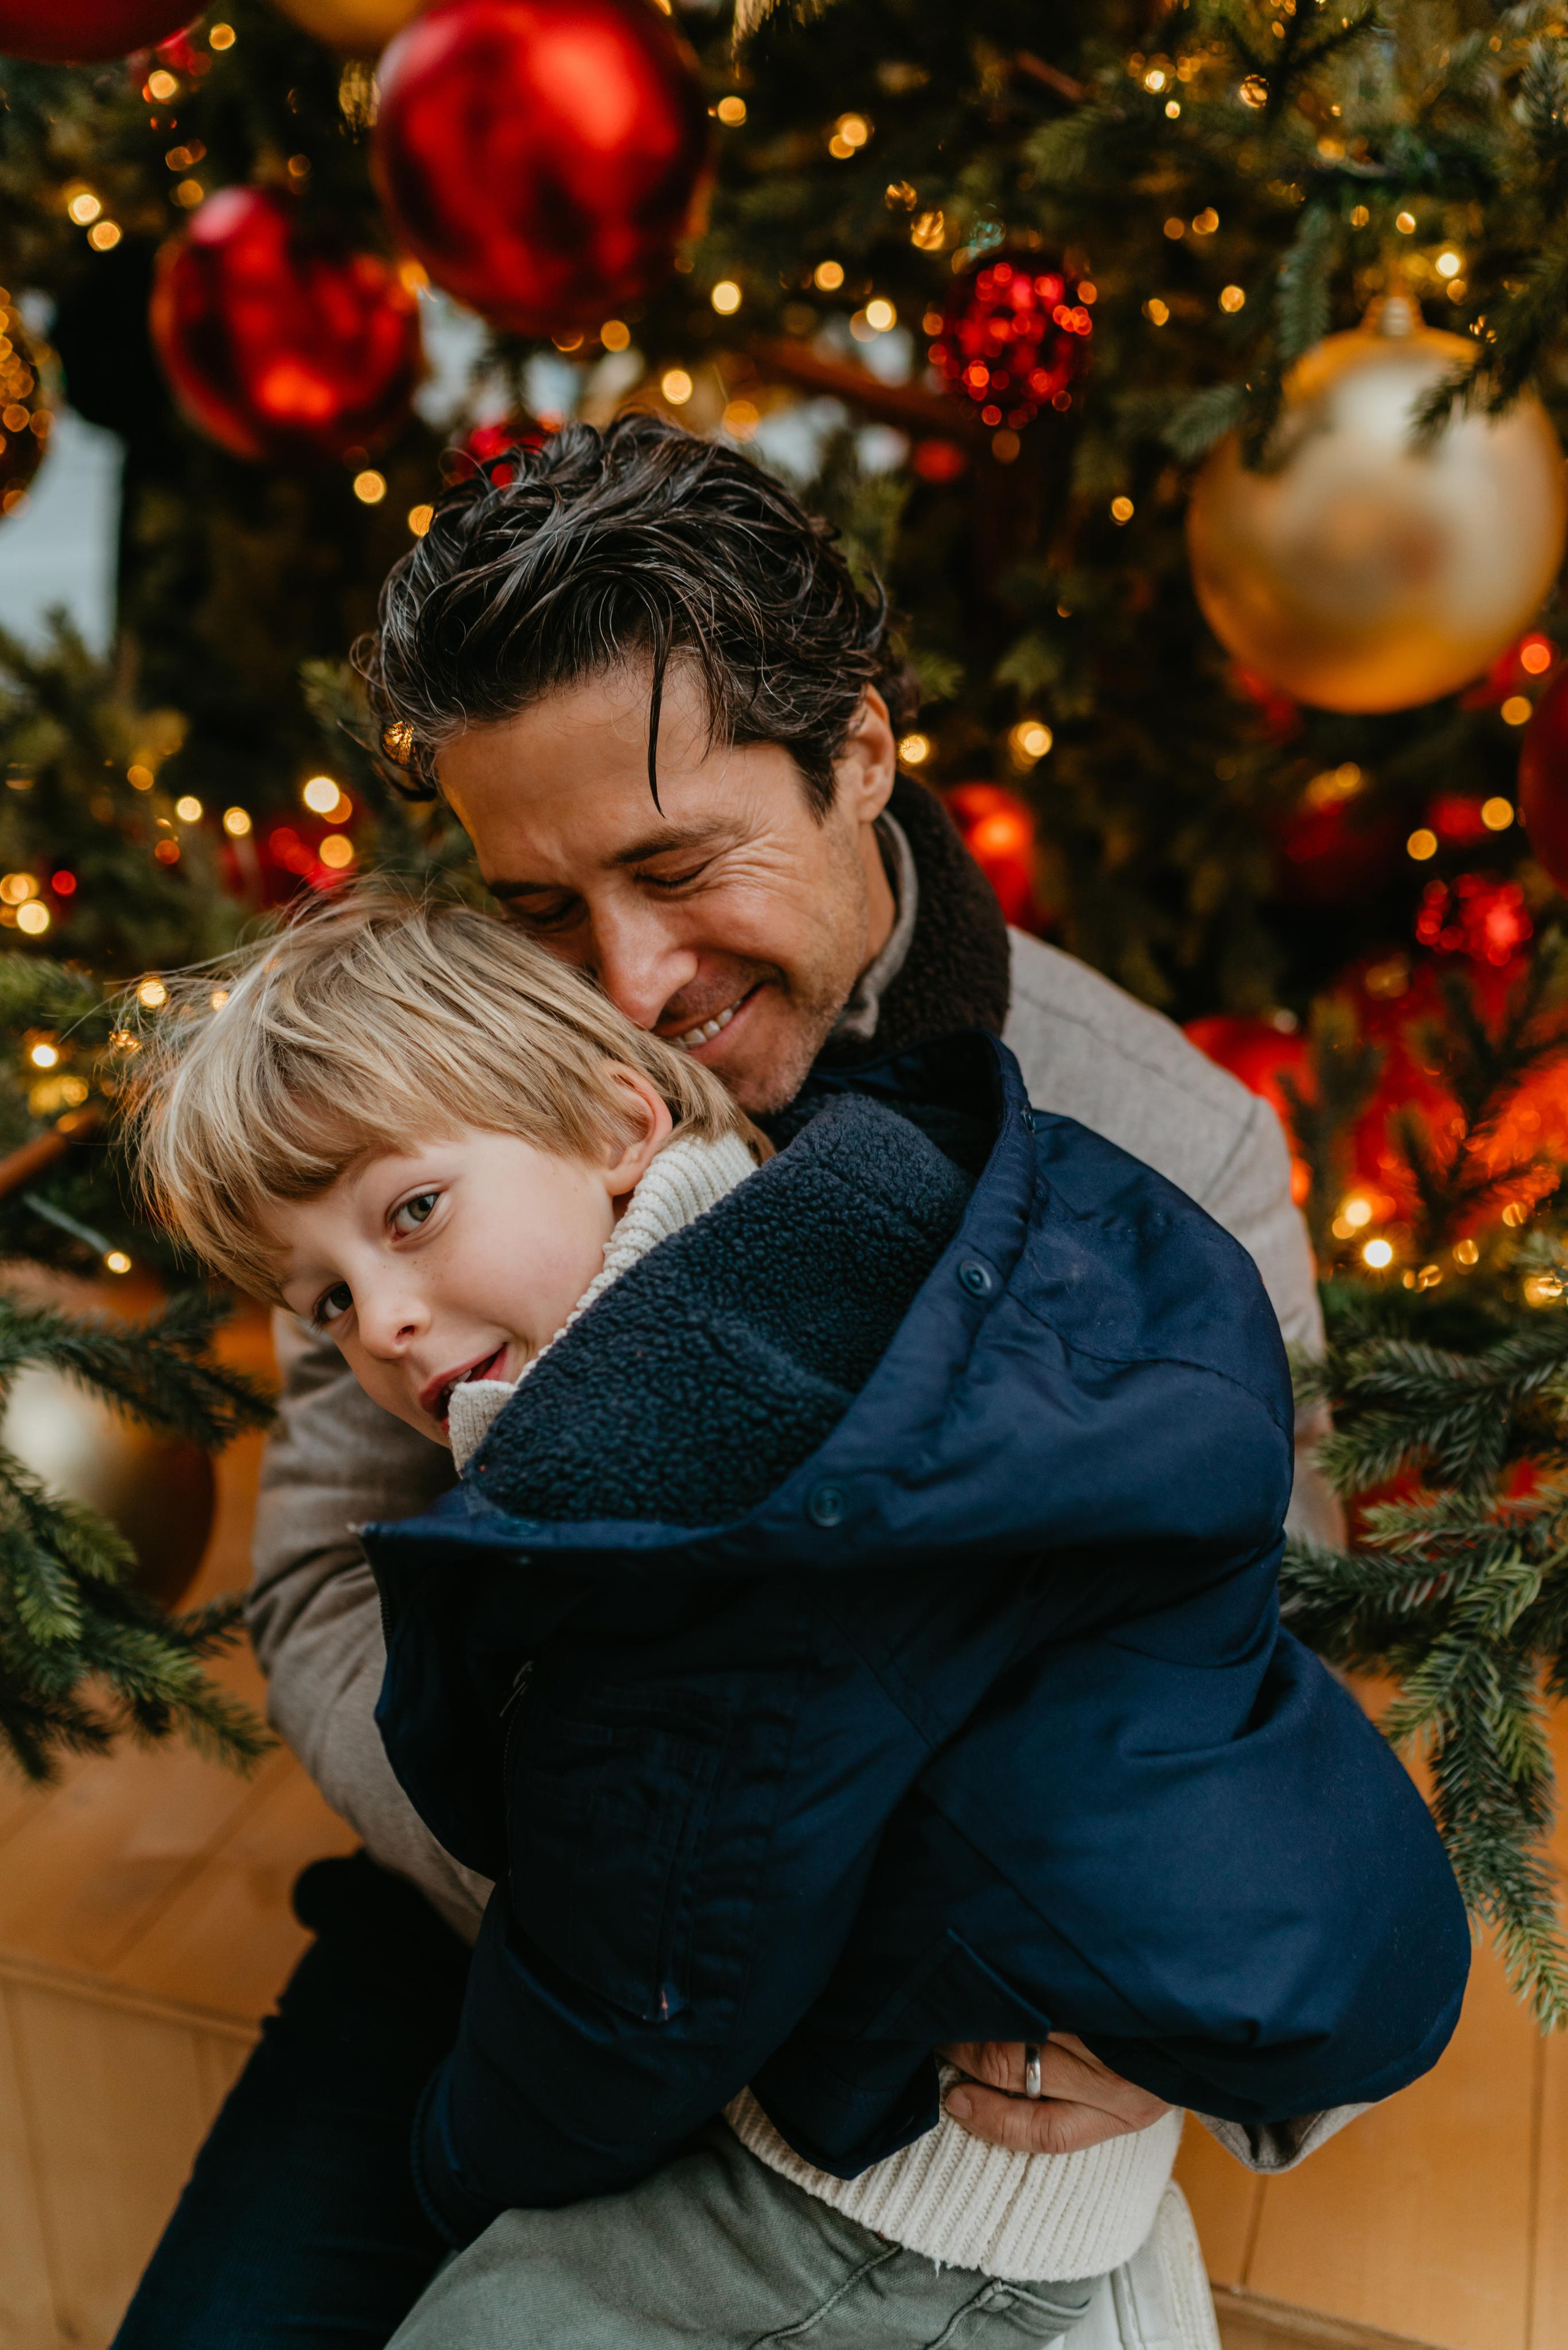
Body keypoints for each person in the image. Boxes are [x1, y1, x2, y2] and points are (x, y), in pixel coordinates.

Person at [113, 418, 1365, 2350]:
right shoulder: (405, 1117)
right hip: (499, 1912)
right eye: (538, 903)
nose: (619, 977)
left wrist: (1179, 2030)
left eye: (677, 863)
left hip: (920, 2037)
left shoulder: (1160, 1147)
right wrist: (614, 1879)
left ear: (859, 751)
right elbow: (322, 1584)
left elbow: (1253, 1650)